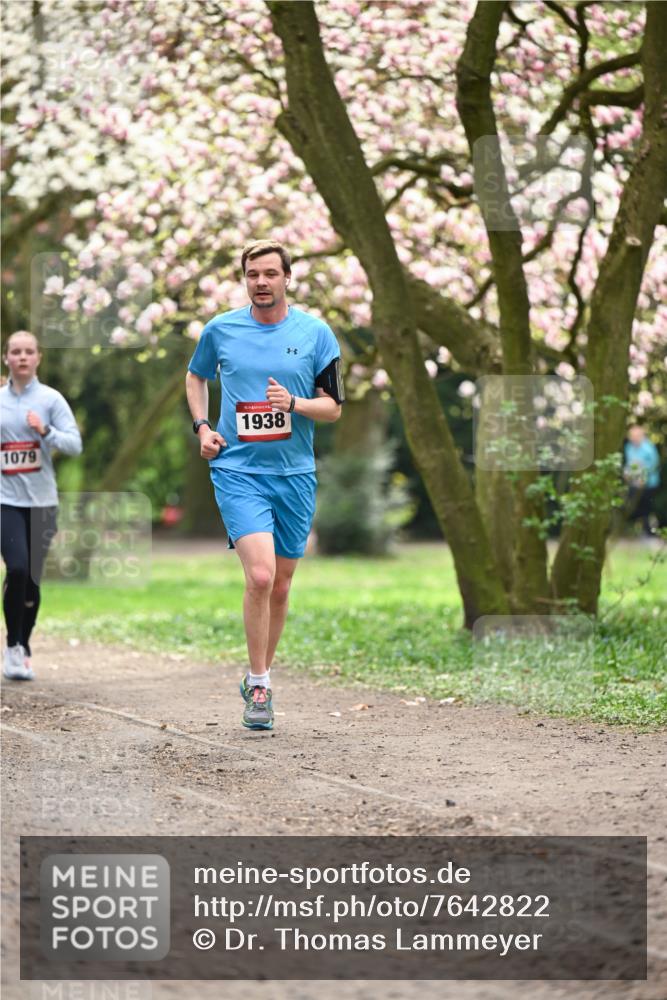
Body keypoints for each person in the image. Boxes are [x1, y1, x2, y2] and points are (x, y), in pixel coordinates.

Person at [185, 240, 344, 731]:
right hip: (238, 470)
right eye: (253, 273)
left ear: (287, 278)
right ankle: (259, 684)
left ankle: (262, 671)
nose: (261, 281)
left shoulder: (316, 334)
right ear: (245, 279)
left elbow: (334, 407)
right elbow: (195, 378)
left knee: (281, 585)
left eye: (270, 273)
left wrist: (293, 404)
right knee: (259, 576)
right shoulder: (222, 330)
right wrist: (203, 427)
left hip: (295, 476)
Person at [1, 331, 82, 679]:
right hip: (5, 501)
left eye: (28, 352)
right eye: (15, 352)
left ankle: (24, 643)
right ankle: (12, 647)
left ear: (38, 358)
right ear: (6, 358)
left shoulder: (51, 399)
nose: (22, 357)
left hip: (42, 503)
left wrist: (46, 431)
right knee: (16, 569)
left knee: (32, 580)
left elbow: (75, 445)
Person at [623, 424, 661, 537]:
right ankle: (633, 531)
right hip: (633, 483)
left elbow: (654, 465)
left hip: (649, 484)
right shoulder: (629, 447)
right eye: (631, 436)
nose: (633, 438)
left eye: (636, 436)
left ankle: (648, 533)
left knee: (645, 508)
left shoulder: (649, 448)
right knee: (632, 505)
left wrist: (644, 478)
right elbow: (629, 464)